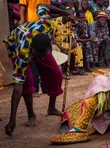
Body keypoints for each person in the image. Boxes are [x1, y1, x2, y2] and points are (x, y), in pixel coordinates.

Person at [3, 4, 74, 136]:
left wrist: (66, 13)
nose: (42, 58)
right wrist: (12, 119)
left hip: (35, 41)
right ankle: (31, 115)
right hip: (15, 43)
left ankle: (51, 108)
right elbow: (17, 88)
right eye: (39, 56)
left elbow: (42, 5)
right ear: (33, 52)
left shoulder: (47, 23)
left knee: (56, 73)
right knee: (27, 82)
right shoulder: (22, 53)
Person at [19, 0, 51, 96]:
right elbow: (22, 8)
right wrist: (23, 25)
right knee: (33, 59)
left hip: (43, 27)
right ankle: (35, 89)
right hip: (31, 28)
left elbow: (47, 8)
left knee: (45, 58)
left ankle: (46, 88)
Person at [52, 7, 85, 75]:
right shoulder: (54, 22)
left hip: (67, 44)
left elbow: (71, 35)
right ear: (64, 14)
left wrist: (73, 42)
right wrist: (62, 48)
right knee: (57, 50)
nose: (70, 18)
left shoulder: (69, 23)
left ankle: (77, 69)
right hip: (57, 45)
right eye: (69, 16)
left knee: (78, 47)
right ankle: (60, 72)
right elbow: (51, 39)